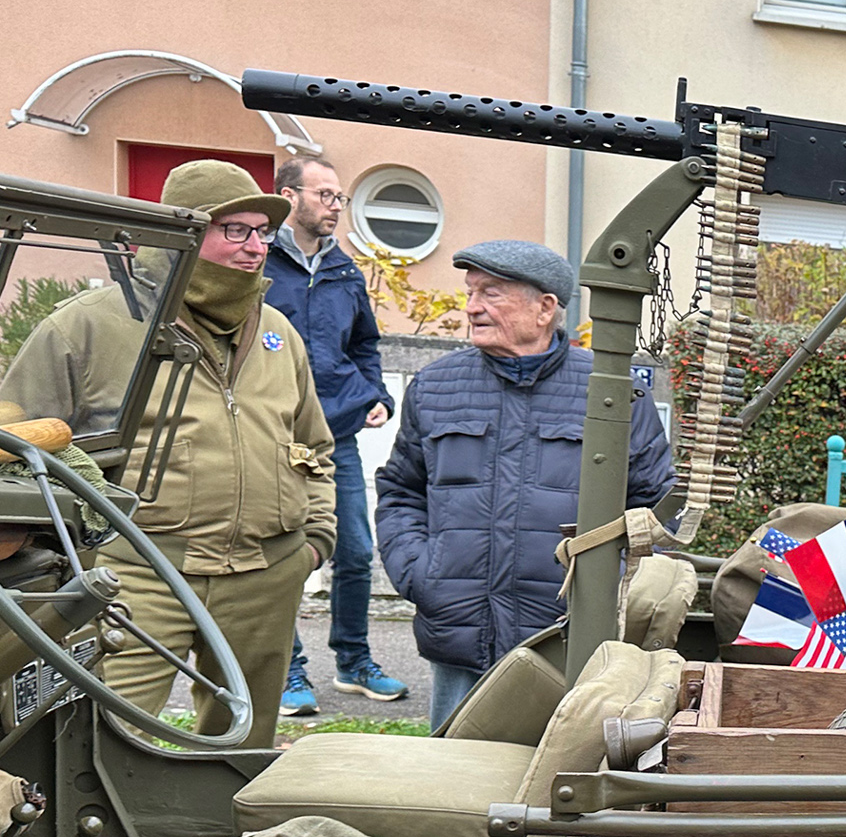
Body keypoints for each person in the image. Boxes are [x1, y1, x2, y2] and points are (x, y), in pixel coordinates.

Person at [1, 160, 336, 747]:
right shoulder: (89, 326)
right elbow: (15, 446)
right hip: (139, 573)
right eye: (236, 230)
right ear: (184, 236)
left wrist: (313, 541)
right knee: (101, 741)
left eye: (263, 232)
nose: (256, 247)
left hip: (266, 573)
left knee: (243, 749)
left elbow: (314, 444)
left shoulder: (278, 330)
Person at [374, 241, 674, 730]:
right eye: (471, 293)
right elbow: (402, 491)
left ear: (545, 308)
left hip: (567, 641)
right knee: (450, 783)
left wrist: (605, 590)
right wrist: (421, 573)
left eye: (491, 293)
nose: (472, 307)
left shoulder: (612, 392)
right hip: (459, 631)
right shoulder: (434, 388)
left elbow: (655, 505)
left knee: (551, 782)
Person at [264, 156, 407, 715]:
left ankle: (353, 662)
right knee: (283, 554)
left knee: (354, 551)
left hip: (336, 433)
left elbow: (364, 344)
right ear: (289, 196)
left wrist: (376, 393)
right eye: (325, 194)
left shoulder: (344, 270)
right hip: (270, 435)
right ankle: (287, 670)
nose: (335, 206)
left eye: (340, 197)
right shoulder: (261, 261)